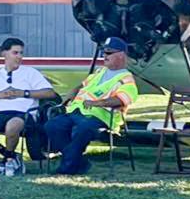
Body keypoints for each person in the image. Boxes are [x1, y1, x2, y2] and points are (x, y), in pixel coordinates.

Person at [44, 36, 139, 175]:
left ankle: (66, 169)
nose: (104, 56)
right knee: (52, 126)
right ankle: (79, 161)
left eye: (108, 53)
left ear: (121, 55)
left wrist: (98, 103)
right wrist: (73, 91)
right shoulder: (100, 72)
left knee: (83, 129)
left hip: (101, 117)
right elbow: (84, 84)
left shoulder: (126, 79)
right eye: (103, 52)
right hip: (77, 111)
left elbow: (120, 100)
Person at [0, 37, 56, 177]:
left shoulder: (30, 73)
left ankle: (7, 160)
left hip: (25, 114)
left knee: (12, 125)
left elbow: (50, 93)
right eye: (15, 53)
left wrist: (24, 93)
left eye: (21, 53)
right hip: (2, 113)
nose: (19, 56)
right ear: (4, 54)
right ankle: (11, 156)